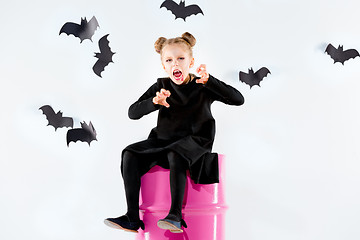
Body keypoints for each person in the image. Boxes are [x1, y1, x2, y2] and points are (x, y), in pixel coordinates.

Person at [104, 32, 244, 233]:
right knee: (130, 153)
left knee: (176, 153)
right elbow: (132, 113)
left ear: (191, 61)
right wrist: (154, 102)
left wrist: (210, 81)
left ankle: (175, 215)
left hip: (196, 141)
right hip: (163, 140)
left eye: (180, 58)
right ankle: (132, 217)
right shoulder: (161, 86)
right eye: (169, 60)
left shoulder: (202, 85)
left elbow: (238, 99)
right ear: (163, 65)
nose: (175, 64)